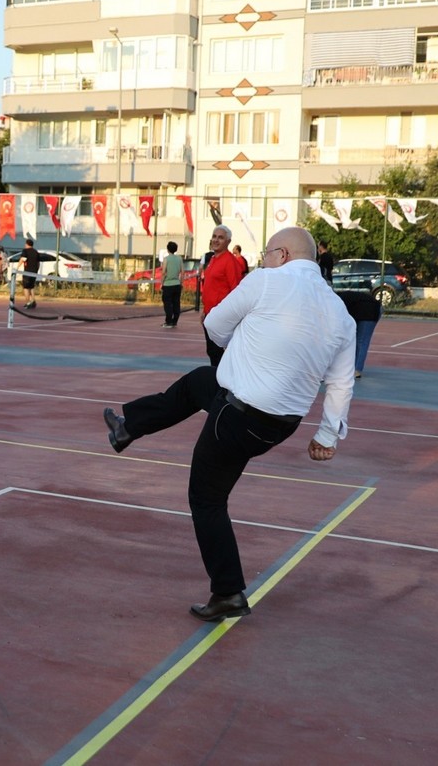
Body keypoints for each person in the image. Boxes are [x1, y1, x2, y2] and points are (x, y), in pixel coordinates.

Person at [101, 227, 355, 624]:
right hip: (279, 424)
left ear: (283, 255)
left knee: (206, 500)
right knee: (199, 382)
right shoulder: (340, 311)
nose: (262, 260)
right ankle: (128, 426)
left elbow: (216, 325)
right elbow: (341, 382)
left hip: (237, 417)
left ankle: (228, 592)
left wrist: (243, 343)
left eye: (267, 253)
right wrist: (326, 436)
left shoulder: (266, 281)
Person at [198, 225, 244, 364]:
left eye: (220, 237)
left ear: (228, 241)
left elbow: (236, 291)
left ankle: (222, 377)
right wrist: (204, 310)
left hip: (221, 316)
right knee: (212, 351)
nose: (216, 240)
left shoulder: (230, 262)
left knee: (218, 353)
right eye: (214, 236)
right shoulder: (213, 259)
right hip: (210, 314)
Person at [336, 290, 382, 378]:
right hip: (368, 309)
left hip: (369, 311)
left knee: (362, 341)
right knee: (357, 340)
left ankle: (357, 370)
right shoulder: (339, 297)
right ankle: (351, 367)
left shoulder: (336, 301)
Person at [160, 241, 184, 328]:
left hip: (168, 284)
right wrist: (181, 282)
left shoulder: (166, 259)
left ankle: (168, 321)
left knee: (167, 303)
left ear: (168, 249)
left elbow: (163, 272)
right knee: (176, 303)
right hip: (177, 284)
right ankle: (175, 321)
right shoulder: (179, 258)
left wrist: (162, 283)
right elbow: (182, 272)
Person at [15, 240, 41, 309]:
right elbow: (38, 263)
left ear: (26, 244)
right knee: (31, 287)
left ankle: (28, 302)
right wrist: (36, 270)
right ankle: (33, 300)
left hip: (27, 272)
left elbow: (23, 259)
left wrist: (17, 267)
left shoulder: (25, 251)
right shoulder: (36, 252)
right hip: (34, 272)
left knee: (26, 287)